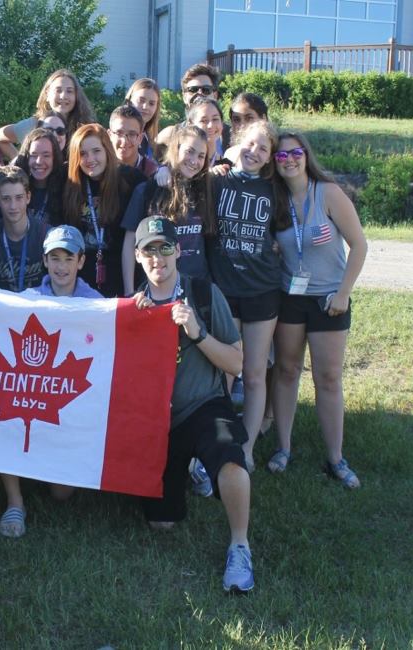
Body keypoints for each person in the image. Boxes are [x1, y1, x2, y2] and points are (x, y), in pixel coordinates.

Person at [133, 216, 253, 594]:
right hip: (159, 421)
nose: (158, 258)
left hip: (204, 406)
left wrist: (197, 332)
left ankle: (240, 545)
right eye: (149, 250)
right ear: (138, 256)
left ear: (178, 251)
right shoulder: (132, 306)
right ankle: (188, 467)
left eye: (165, 248)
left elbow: (236, 363)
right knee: (162, 522)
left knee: (230, 457)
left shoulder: (203, 293)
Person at [268, 132, 367, 487]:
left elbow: (359, 245)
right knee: (287, 370)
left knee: (327, 378)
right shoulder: (275, 199)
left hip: (329, 299)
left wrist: (344, 292)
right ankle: (283, 447)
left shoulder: (328, 193)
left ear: (306, 156)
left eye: (295, 153)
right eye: (281, 156)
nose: (289, 160)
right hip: (290, 297)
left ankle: (336, 458)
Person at [0, 224, 102, 538]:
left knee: (61, 492)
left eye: (68, 258)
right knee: (5, 411)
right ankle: (15, 502)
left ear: (81, 262)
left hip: (67, 400)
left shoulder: (96, 304)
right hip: (30, 395)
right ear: (44, 261)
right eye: (54, 258)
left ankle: (42, 466)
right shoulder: (28, 299)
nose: (61, 266)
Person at [208, 120, 283, 471]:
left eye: (263, 148)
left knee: (253, 374)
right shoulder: (218, 179)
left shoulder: (273, 189)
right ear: (237, 143)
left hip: (261, 290)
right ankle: (218, 443)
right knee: (224, 372)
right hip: (225, 289)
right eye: (250, 144)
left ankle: (247, 448)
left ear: (269, 158)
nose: (254, 152)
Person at [121, 124, 215, 294]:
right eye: (190, 151)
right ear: (175, 149)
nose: (195, 161)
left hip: (197, 289)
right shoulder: (148, 190)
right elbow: (130, 242)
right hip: (156, 289)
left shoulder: (205, 190)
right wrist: (129, 290)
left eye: (201, 156)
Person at [61, 123, 146, 297]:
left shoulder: (129, 179)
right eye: (83, 154)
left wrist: (164, 170)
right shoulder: (68, 182)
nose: (90, 159)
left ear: (107, 150)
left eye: (96, 151)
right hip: (81, 285)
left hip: (123, 278)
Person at [0, 69, 96, 161]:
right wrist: (18, 159)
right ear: (47, 94)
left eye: (69, 91)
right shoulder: (34, 125)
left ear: (76, 96)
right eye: (58, 90)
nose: (63, 96)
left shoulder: (85, 128)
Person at [0, 166, 48, 292]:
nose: (13, 206)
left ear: (28, 197)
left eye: (19, 197)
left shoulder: (46, 236)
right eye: (6, 199)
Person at [156, 63, 231, 148]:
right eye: (193, 90)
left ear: (215, 96)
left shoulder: (231, 136)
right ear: (184, 97)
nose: (199, 94)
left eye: (206, 90)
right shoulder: (170, 136)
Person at [12, 127, 65, 225]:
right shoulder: (14, 189)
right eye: (34, 155)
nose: (39, 161)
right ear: (26, 157)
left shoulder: (66, 190)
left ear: (54, 158)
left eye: (46, 155)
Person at [108, 104, 159, 177]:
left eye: (132, 134)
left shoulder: (152, 172)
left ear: (140, 138)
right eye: (119, 133)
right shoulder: (100, 168)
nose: (124, 141)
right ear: (110, 135)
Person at [124, 77, 161, 159]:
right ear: (129, 101)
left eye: (151, 103)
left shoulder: (149, 139)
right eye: (141, 100)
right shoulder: (120, 136)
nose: (145, 107)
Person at [187, 98, 230, 167]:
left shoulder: (227, 166)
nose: (210, 125)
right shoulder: (183, 164)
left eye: (215, 119)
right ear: (190, 124)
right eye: (203, 121)